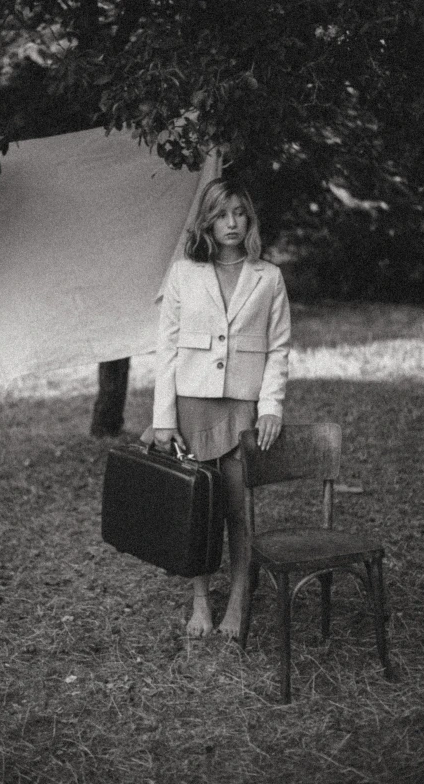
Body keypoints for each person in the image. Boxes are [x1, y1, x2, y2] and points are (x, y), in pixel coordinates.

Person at [150, 176, 291, 638]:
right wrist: (162, 420)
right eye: (221, 214)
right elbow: (166, 349)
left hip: (242, 409)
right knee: (198, 508)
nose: (232, 223)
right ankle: (199, 601)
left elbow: (279, 348)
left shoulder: (267, 276)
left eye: (239, 213)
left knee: (236, 509)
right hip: (192, 405)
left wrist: (270, 407)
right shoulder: (183, 273)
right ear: (207, 221)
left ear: (248, 218)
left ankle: (238, 597)